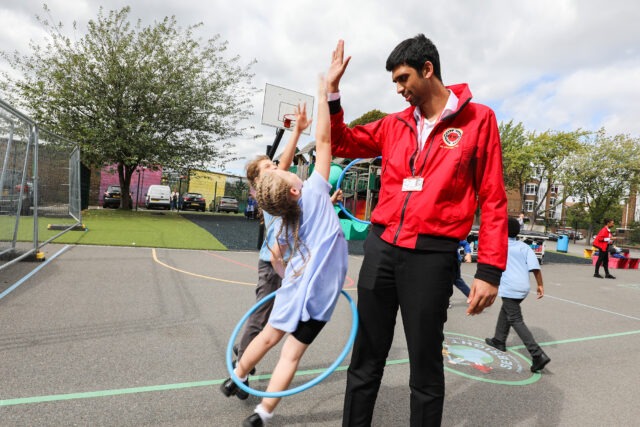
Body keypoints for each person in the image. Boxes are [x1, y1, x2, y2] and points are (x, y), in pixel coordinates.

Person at [327, 36, 508, 426]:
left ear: (428, 69)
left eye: (403, 77)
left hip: (431, 257)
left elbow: (493, 198)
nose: (399, 88)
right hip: (381, 249)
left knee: (425, 368)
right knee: (366, 359)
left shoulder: (479, 120)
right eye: (395, 81)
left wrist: (490, 270)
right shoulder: (394, 124)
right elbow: (342, 141)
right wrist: (333, 93)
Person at [221, 76, 349, 427]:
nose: (292, 172)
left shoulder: (284, 216)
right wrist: (326, 95)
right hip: (320, 293)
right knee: (291, 355)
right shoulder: (315, 192)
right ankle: (263, 413)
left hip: (295, 284)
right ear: (293, 190)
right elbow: (324, 141)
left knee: (269, 336)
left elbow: (278, 252)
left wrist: (281, 271)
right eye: (286, 173)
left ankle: (239, 374)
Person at [229, 103, 311, 401]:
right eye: (268, 168)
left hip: (286, 263)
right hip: (272, 264)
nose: (275, 169)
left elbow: (285, 165)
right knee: (261, 317)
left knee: (276, 318)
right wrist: (297, 131)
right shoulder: (266, 195)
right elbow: (286, 164)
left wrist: (297, 131)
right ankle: (241, 367)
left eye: (273, 166)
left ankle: (247, 356)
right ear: (257, 181)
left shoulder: (278, 186)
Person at [485, 217, 551, 373]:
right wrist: (540, 285)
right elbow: (535, 267)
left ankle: (537, 354)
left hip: (510, 288)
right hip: (523, 288)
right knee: (507, 310)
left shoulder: (500, 246)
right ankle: (499, 340)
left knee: (515, 319)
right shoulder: (524, 246)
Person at [449, 239, 472, 308]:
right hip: (440, 261)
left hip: (454, 261)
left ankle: (472, 297)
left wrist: (468, 253)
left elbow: (465, 243)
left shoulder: (452, 235)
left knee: (456, 280)